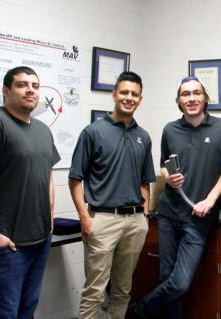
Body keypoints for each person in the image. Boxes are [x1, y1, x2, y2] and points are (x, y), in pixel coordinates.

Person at [127, 76, 221, 319]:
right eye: (186, 94)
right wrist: (168, 177)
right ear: (179, 101)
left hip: (198, 218)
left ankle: (138, 312)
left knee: (180, 283)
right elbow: (164, 165)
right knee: (166, 278)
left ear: (205, 99)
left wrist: (210, 200)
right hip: (169, 214)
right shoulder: (170, 129)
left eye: (196, 93)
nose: (191, 98)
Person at [69, 71, 155, 319]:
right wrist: (85, 218)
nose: (129, 98)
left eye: (135, 94)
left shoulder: (143, 136)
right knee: (94, 290)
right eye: (125, 92)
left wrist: (145, 216)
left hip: (135, 222)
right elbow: (75, 179)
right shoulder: (92, 132)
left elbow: (145, 181)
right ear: (114, 94)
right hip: (103, 221)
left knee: (123, 290)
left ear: (140, 99)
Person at [0, 66, 60, 318]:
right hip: (7, 244)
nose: (30, 90)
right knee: (4, 312)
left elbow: (48, 176)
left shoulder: (43, 130)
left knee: (27, 308)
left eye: (34, 85)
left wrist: (50, 220)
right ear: (6, 90)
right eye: (22, 84)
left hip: (40, 238)